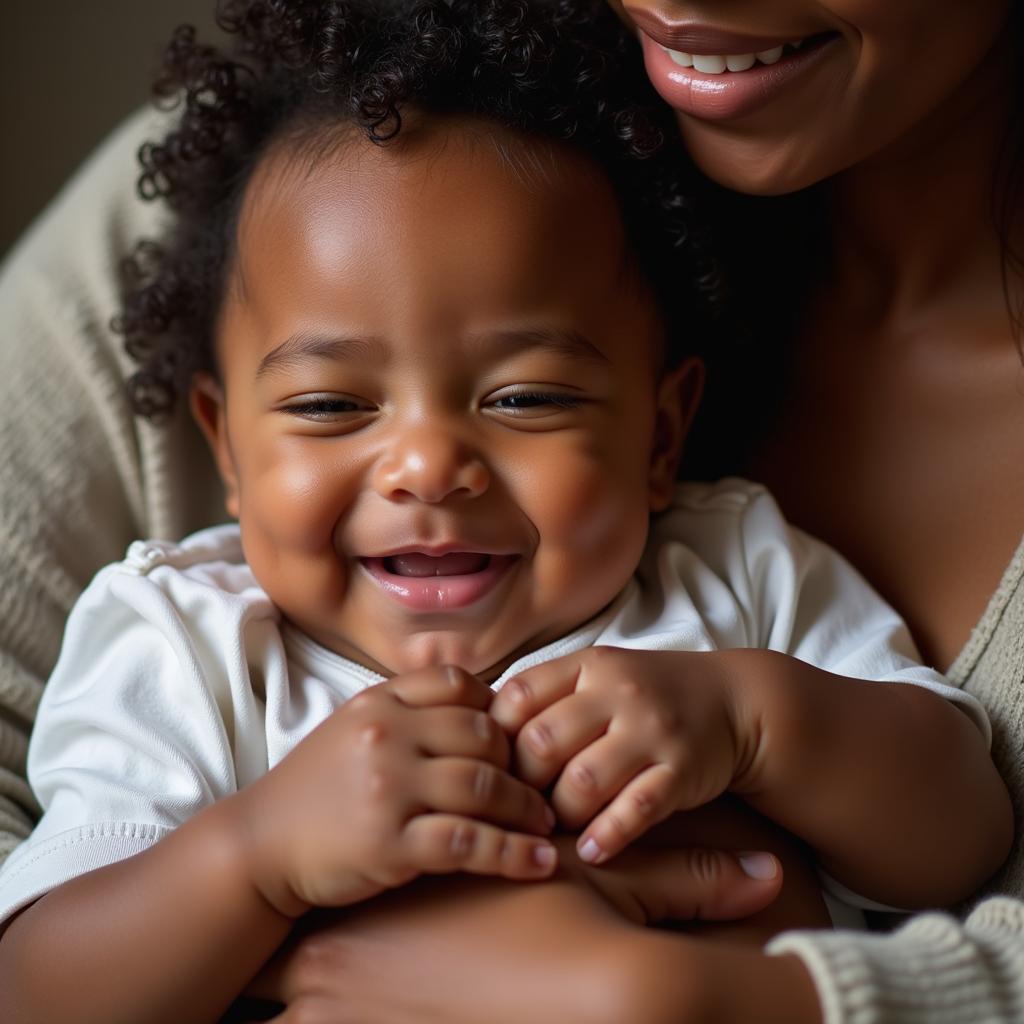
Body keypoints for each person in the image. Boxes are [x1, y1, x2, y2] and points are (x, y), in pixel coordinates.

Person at [0, 2, 1018, 1024]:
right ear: (224, 444)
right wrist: (250, 861)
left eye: (526, 397)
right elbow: (33, 992)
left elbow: (965, 832)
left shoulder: (729, 572)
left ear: (663, 436)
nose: (429, 465)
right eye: (330, 406)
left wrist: (755, 722)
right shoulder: (189, 651)